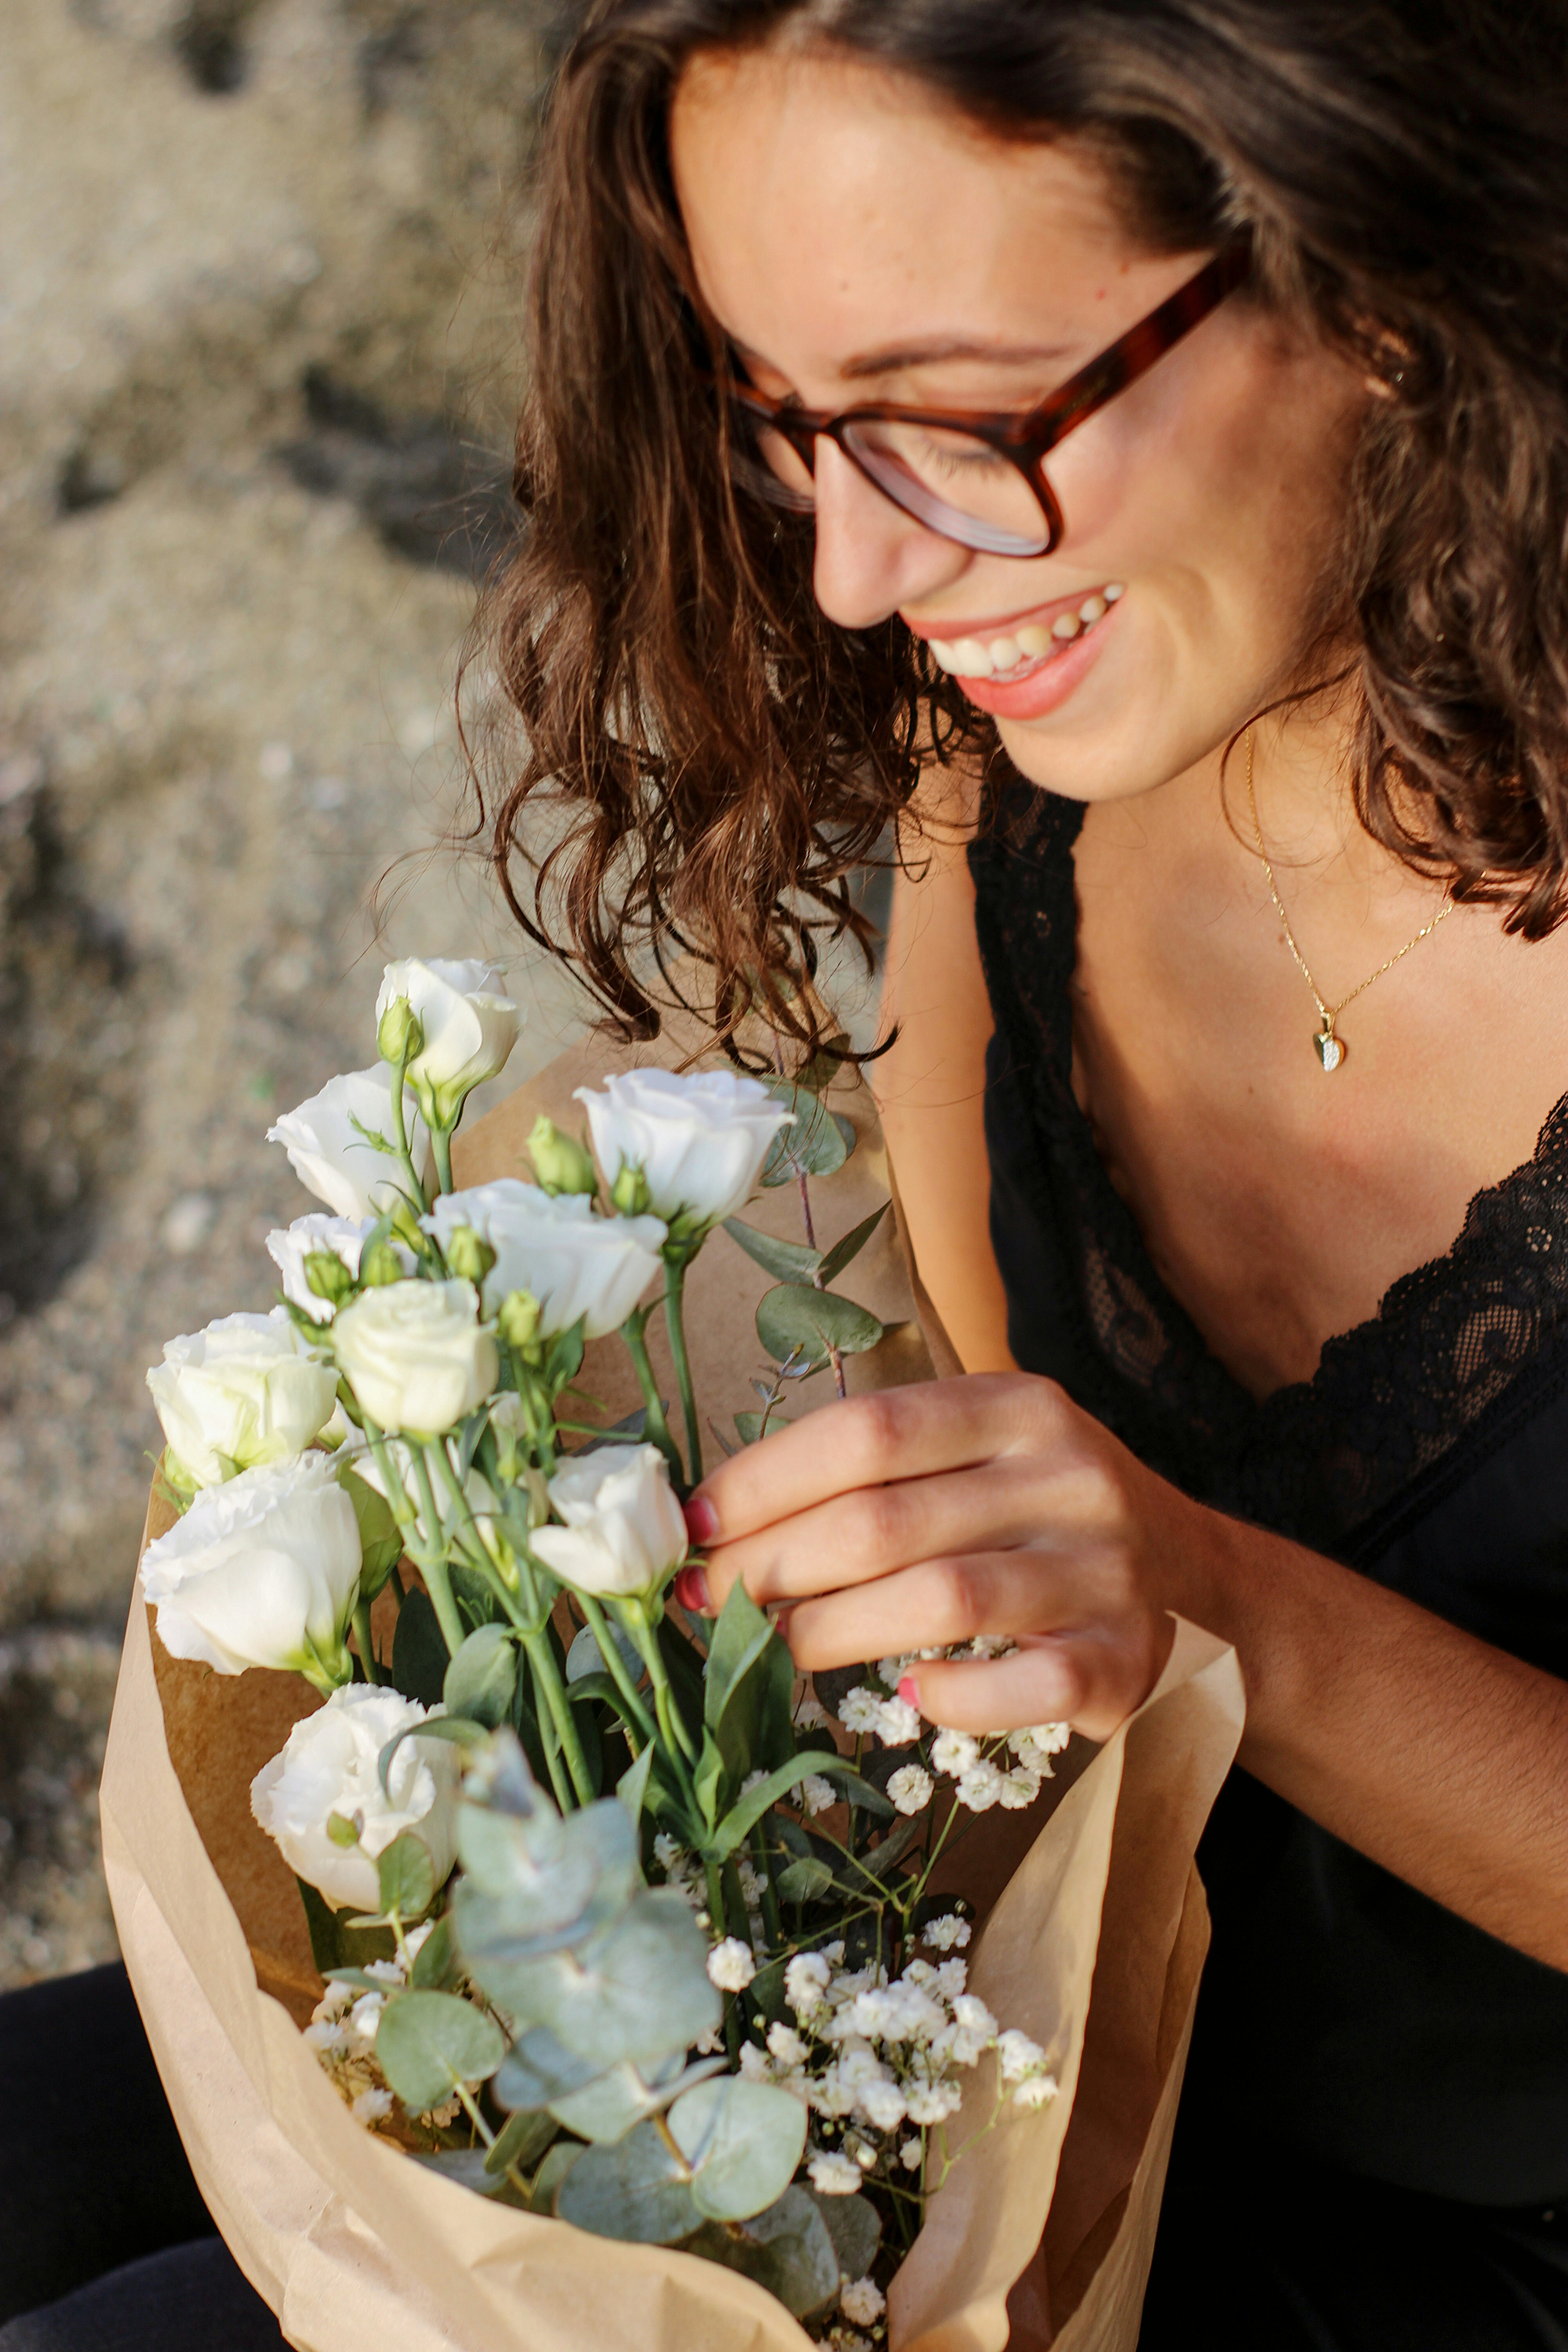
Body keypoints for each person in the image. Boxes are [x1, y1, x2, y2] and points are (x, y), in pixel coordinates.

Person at [477, 2, 1568, 2343]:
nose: (862, 574)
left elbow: (1133, 1571)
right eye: (785, 419)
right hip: (1039, 2031)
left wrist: (1216, 1604)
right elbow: (982, 1459)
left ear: (1373, 274)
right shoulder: (1019, 776)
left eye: (958, 420)